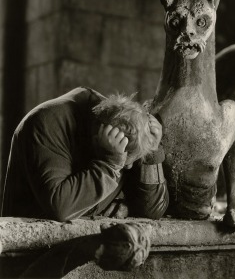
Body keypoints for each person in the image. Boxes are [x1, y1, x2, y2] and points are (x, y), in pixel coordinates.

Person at [1, 87, 168, 221]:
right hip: (26, 249)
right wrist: (109, 165)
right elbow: (60, 208)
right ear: (98, 139)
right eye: (128, 162)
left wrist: (152, 152)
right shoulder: (46, 124)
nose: (130, 167)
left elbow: (152, 211)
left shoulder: (129, 129)